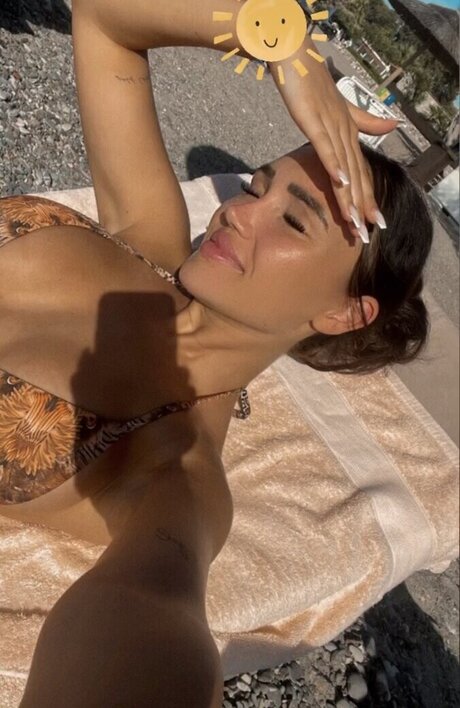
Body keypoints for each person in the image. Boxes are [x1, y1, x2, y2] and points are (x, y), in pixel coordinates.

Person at [0, 1, 433, 706]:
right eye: (257, 186)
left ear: (343, 313)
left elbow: (149, 615)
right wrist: (283, 44)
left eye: (293, 220)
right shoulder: (148, 236)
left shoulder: (176, 469)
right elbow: (103, 19)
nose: (236, 210)